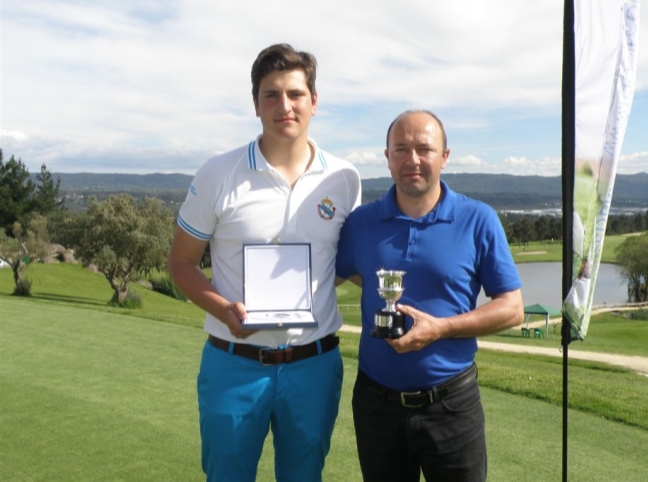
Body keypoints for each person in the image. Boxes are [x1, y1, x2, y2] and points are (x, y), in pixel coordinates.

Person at [168, 43, 361, 482]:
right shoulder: (218, 173)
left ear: (314, 101)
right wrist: (223, 310)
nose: (284, 105)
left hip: (314, 365)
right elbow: (180, 264)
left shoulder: (344, 178)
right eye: (270, 94)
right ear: (255, 104)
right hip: (233, 364)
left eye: (295, 94)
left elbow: (346, 262)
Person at [336, 110, 523, 482]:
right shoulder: (361, 223)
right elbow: (341, 272)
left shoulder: (478, 219)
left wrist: (439, 328)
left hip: (451, 405)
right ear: (387, 156)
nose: (413, 160)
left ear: (445, 156)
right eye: (401, 149)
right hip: (376, 404)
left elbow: (512, 309)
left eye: (424, 148)